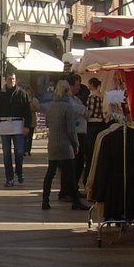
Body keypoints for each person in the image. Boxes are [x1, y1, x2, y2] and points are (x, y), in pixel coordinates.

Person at [42, 79, 87, 211]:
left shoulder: (51, 106)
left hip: (53, 144)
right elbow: (71, 130)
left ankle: (45, 200)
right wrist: (76, 144)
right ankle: (76, 201)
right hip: (65, 145)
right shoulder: (67, 107)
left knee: (50, 173)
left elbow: (47, 124)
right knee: (71, 174)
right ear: (67, 91)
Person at [0, 71, 34, 187]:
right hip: (4, 126)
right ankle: (9, 178)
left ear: (16, 80)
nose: (12, 81)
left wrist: (27, 126)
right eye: (9, 79)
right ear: (5, 80)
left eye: (13, 79)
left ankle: (19, 172)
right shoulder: (0, 95)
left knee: (19, 152)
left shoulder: (22, 94)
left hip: (18, 125)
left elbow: (27, 111)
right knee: (6, 154)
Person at [82, 77, 105, 185]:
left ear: (92, 84)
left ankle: (87, 177)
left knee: (90, 149)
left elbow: (89, 112)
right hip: (100, 122)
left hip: (92, 123)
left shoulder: (92, 96)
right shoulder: (100, 96)